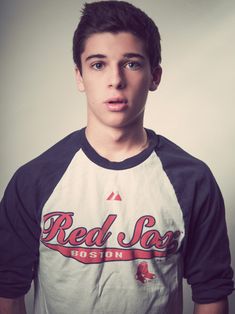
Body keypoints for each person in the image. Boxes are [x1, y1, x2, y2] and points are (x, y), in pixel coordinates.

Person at [0, 1, 234, 313]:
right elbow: (7, 287)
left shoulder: (192, 180)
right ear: (80, 77)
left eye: (132, 63)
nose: (116, 80)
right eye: (98, 64)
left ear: (155, 76)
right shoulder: (35, 179)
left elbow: (212, 293)